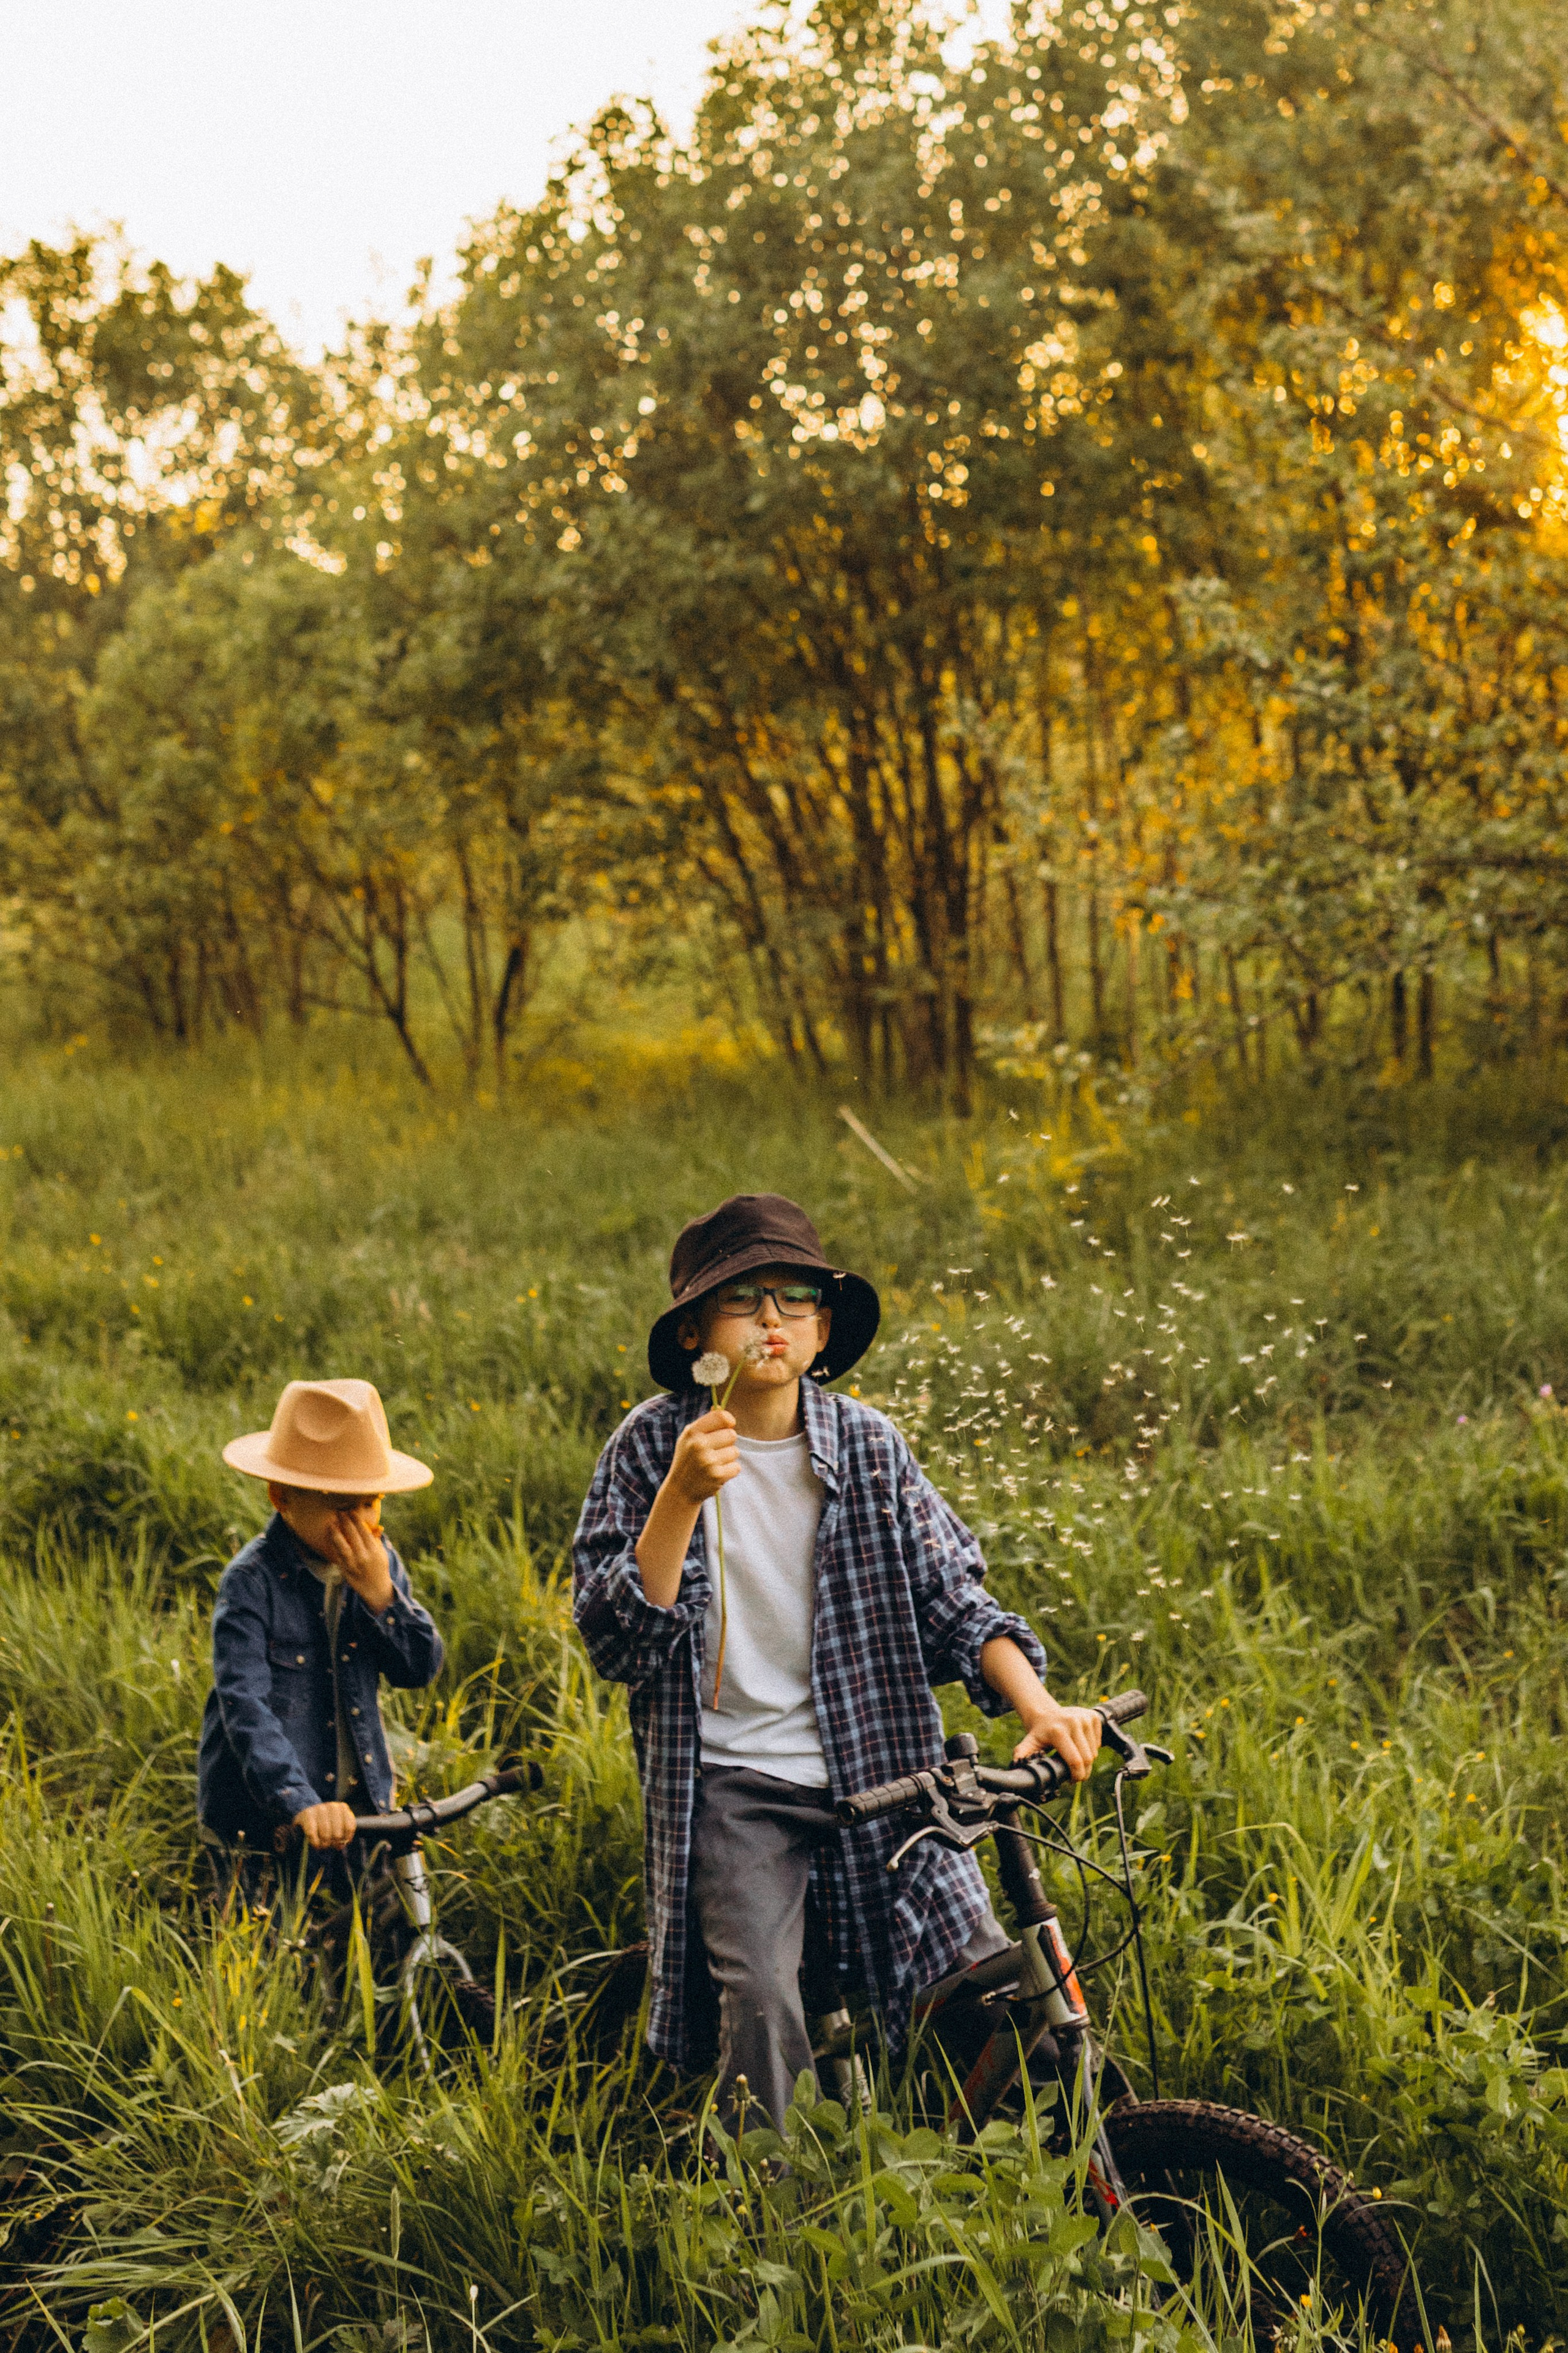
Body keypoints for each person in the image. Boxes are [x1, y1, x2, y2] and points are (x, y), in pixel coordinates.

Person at [572, 1192, 1102, 2131]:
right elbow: (618, 1639)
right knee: (765, 2001)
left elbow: (952, 1597)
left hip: (885, 1768)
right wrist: (678, 1502)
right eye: (744, 1298)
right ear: (697, 1327)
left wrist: (1038, 1706)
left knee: (983, 1985)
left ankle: (1004, 2190)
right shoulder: (653, 1446)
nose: (772, 1318)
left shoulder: (867, 1445)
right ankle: (763, 2227)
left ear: (823, 1329)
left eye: (795, 1296)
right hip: (735, 1780)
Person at [197, 1378, 443, 1899]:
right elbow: (245, 1704)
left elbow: (418, 1668)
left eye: (370, 1503)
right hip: (266, 1822)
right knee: (274, 1955)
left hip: (358, 1811)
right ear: (281, 1496)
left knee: (362, 1947)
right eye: (339, 1503)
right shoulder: (252, 1582)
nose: (358, 1524)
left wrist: (382, 1597)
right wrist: (298, 1799)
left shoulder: (380, 1565)